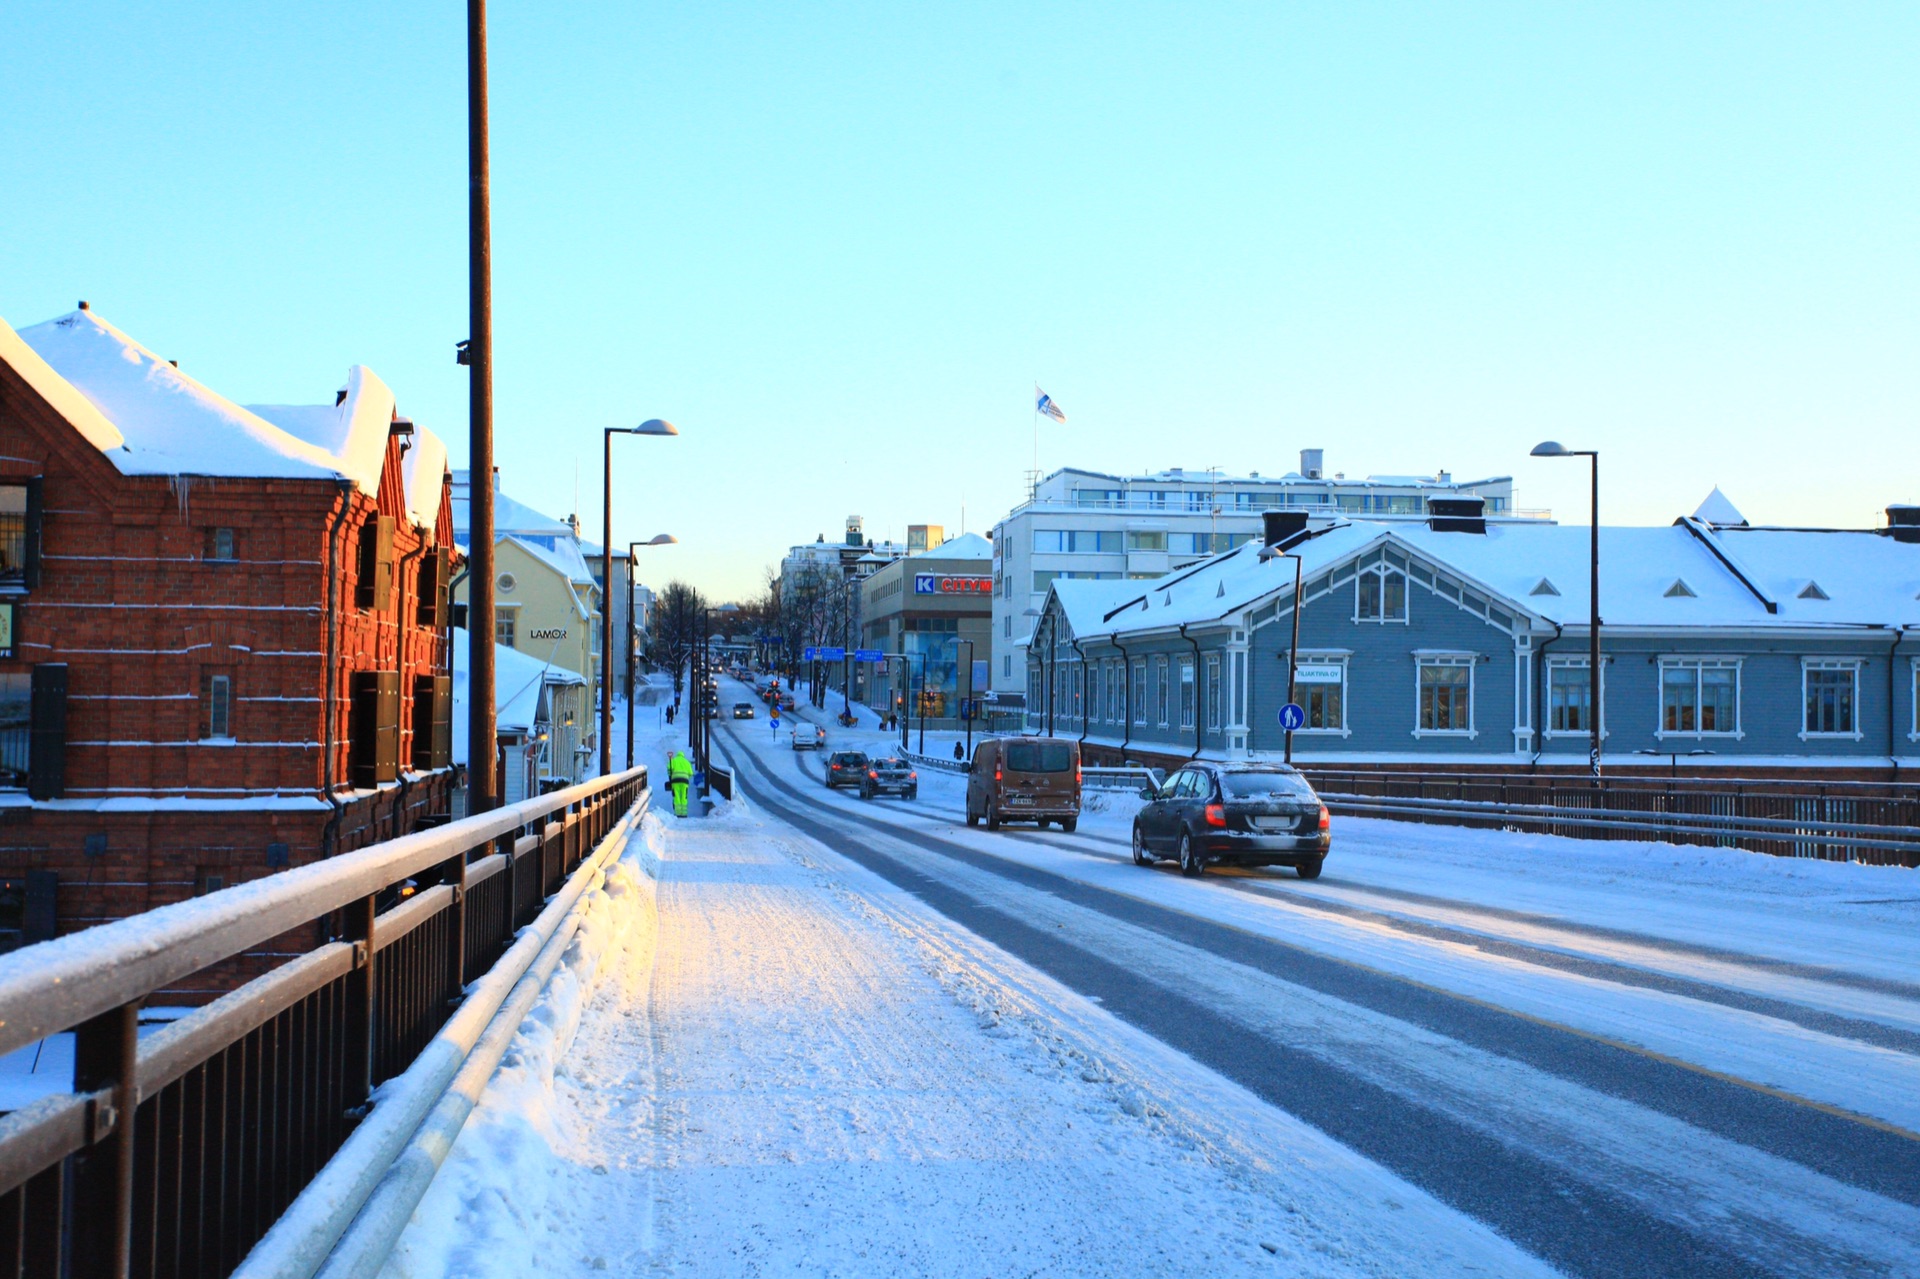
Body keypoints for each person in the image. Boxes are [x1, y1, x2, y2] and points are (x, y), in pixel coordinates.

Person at [667, 749, 693, 818]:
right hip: (685, 782)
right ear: (683, 756)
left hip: (675, 781)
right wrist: (687, 777)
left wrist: (670, 776)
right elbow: (691, 773)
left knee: (676, 796)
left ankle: (678, 813)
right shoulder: (687, 762)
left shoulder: (673, 760)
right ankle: (684, 813)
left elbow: (669, 768)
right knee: (684, 796)